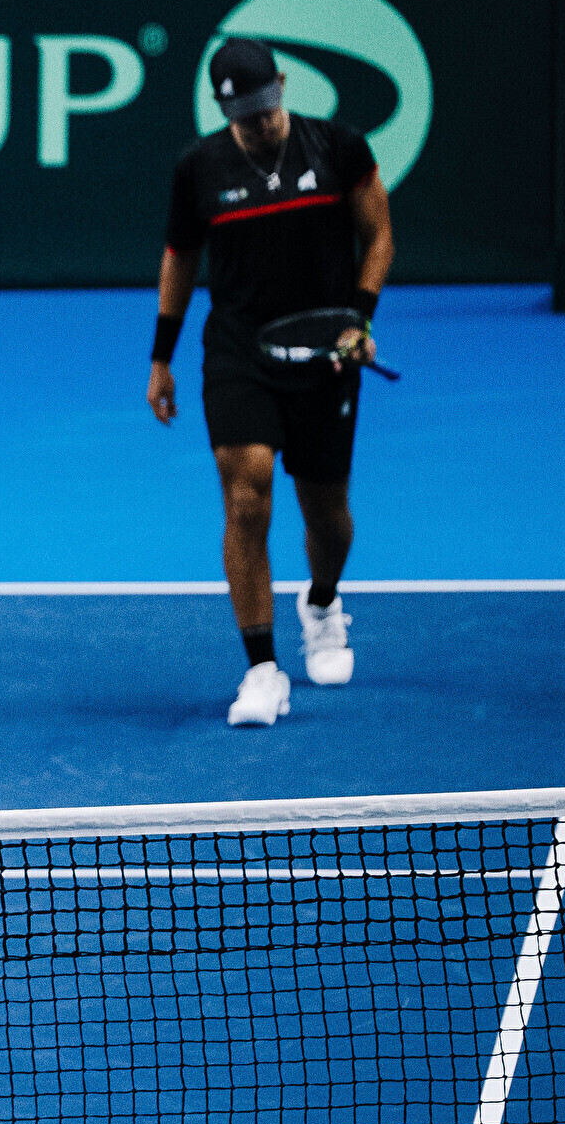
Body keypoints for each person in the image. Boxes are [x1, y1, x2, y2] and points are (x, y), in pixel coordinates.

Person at [146, 40, 393, 724]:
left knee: (328, 514)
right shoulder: (198, 168)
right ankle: (261, 669)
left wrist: (358, 319)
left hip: (324, 350)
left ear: (282, 85)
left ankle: (322, 601)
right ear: (222, 108)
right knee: (246, 495)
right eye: (244, 115)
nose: (259, 124)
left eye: (265, 107)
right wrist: (161, 358)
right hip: (239, 351)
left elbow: (378, 234)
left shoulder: (338, 147)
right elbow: (180, 258)